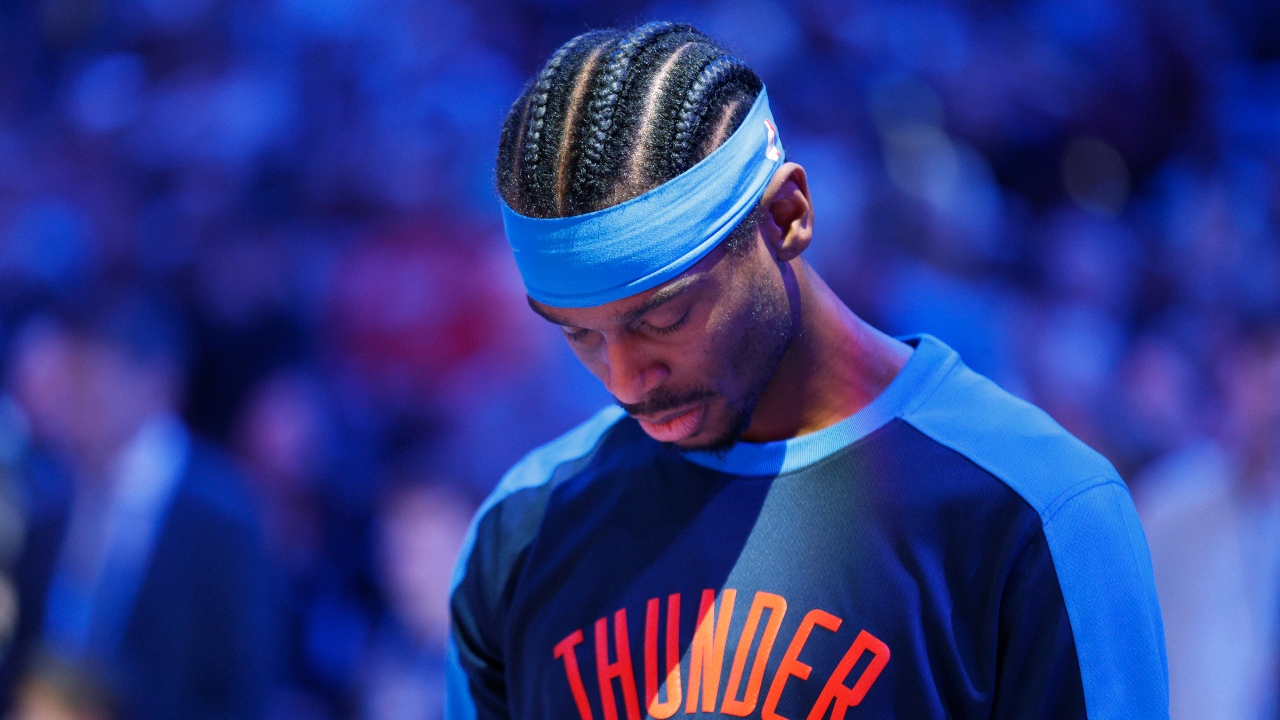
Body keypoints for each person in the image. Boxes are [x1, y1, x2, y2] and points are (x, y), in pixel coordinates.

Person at [448, 22, 1167, 720]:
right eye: (581, 337)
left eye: (661, 320)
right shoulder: (522, 531)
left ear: (786, 215)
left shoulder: (1034, 511)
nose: (626, 380)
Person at [3, 291, 279, 720]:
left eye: (91, 379)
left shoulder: (225, 519)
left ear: (157, 385)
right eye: (70, 379)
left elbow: (242, 692)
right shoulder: (50, 501)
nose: (73, 400)